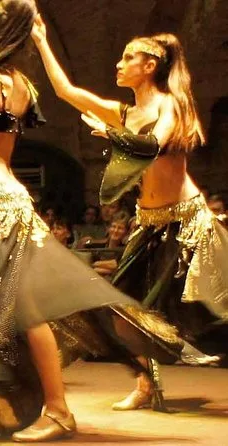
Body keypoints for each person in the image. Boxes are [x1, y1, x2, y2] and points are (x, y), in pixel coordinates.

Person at [32, 13, 227, 411]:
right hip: (149, 223)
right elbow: (66, 91)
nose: (118, 65)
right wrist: (40, 40)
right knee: (122, 306)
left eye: (127, 58)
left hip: (185, 222)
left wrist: (112, 134)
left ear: (149, 66)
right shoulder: (123, 112)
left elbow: (152, 145)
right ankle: (145, 383)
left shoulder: (171, 104)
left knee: (207, 309)